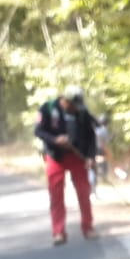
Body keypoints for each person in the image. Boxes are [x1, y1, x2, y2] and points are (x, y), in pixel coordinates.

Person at [35, 86, 98, 245]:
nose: (76, 109)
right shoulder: (48, 109)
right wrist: (55, 140)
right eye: (73, 105)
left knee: (84, 192)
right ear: (66, 100)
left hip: (78, 157)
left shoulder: (82, 113)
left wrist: (90, 156)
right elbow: (39, 131)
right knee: (56, 194)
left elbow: (91, 136)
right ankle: (58, 232)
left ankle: (88, 227)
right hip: (56, 157)